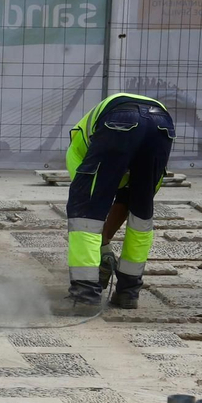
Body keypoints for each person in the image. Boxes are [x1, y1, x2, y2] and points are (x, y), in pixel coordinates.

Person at [59, 93, 175, 315]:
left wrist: (101, 244)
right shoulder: (101, 150)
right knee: (142, 214)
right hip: (162, 124)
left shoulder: (75, 152)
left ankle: (84, 294)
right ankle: (128, 292)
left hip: (118, 119)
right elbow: (126, 202)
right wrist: (104, 242)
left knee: (84, 213)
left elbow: (92, 208)